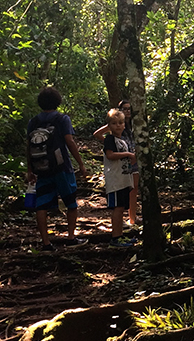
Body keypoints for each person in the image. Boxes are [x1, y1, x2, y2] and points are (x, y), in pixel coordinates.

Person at [26, 86, 89, 251]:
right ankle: (70, 237)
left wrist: (30, 170)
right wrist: (80, 163)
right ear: (58, 101)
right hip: (62, 168)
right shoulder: (62, 119)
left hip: (41, 168)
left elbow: (28, 147)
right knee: (71, 202)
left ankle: (46, 243)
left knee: (42, 205)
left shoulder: (33, 122)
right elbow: (69, 141)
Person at [93, 99, 140, 226]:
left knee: (133, 189)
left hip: (131, 160)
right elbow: (97, 134)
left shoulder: (133, 124)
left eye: (129, 108)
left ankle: (132, 218)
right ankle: (120, 222)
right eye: (124, 108)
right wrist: (110, 143)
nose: (127, 111)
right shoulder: (115, 127)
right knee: (122, 193)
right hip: (120, 163)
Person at [101, 108, 137, 247]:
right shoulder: (110, 139)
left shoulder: (122, 140)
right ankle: (115, 238)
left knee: (121, 208)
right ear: (109, 126)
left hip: (124, 180)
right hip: (115, 181)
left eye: (121, 123)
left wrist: (131, 159)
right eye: (114, 123)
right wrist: (127, 154)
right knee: (117, 208)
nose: (118, 125)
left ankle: (120, 236)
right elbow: (110, 155)